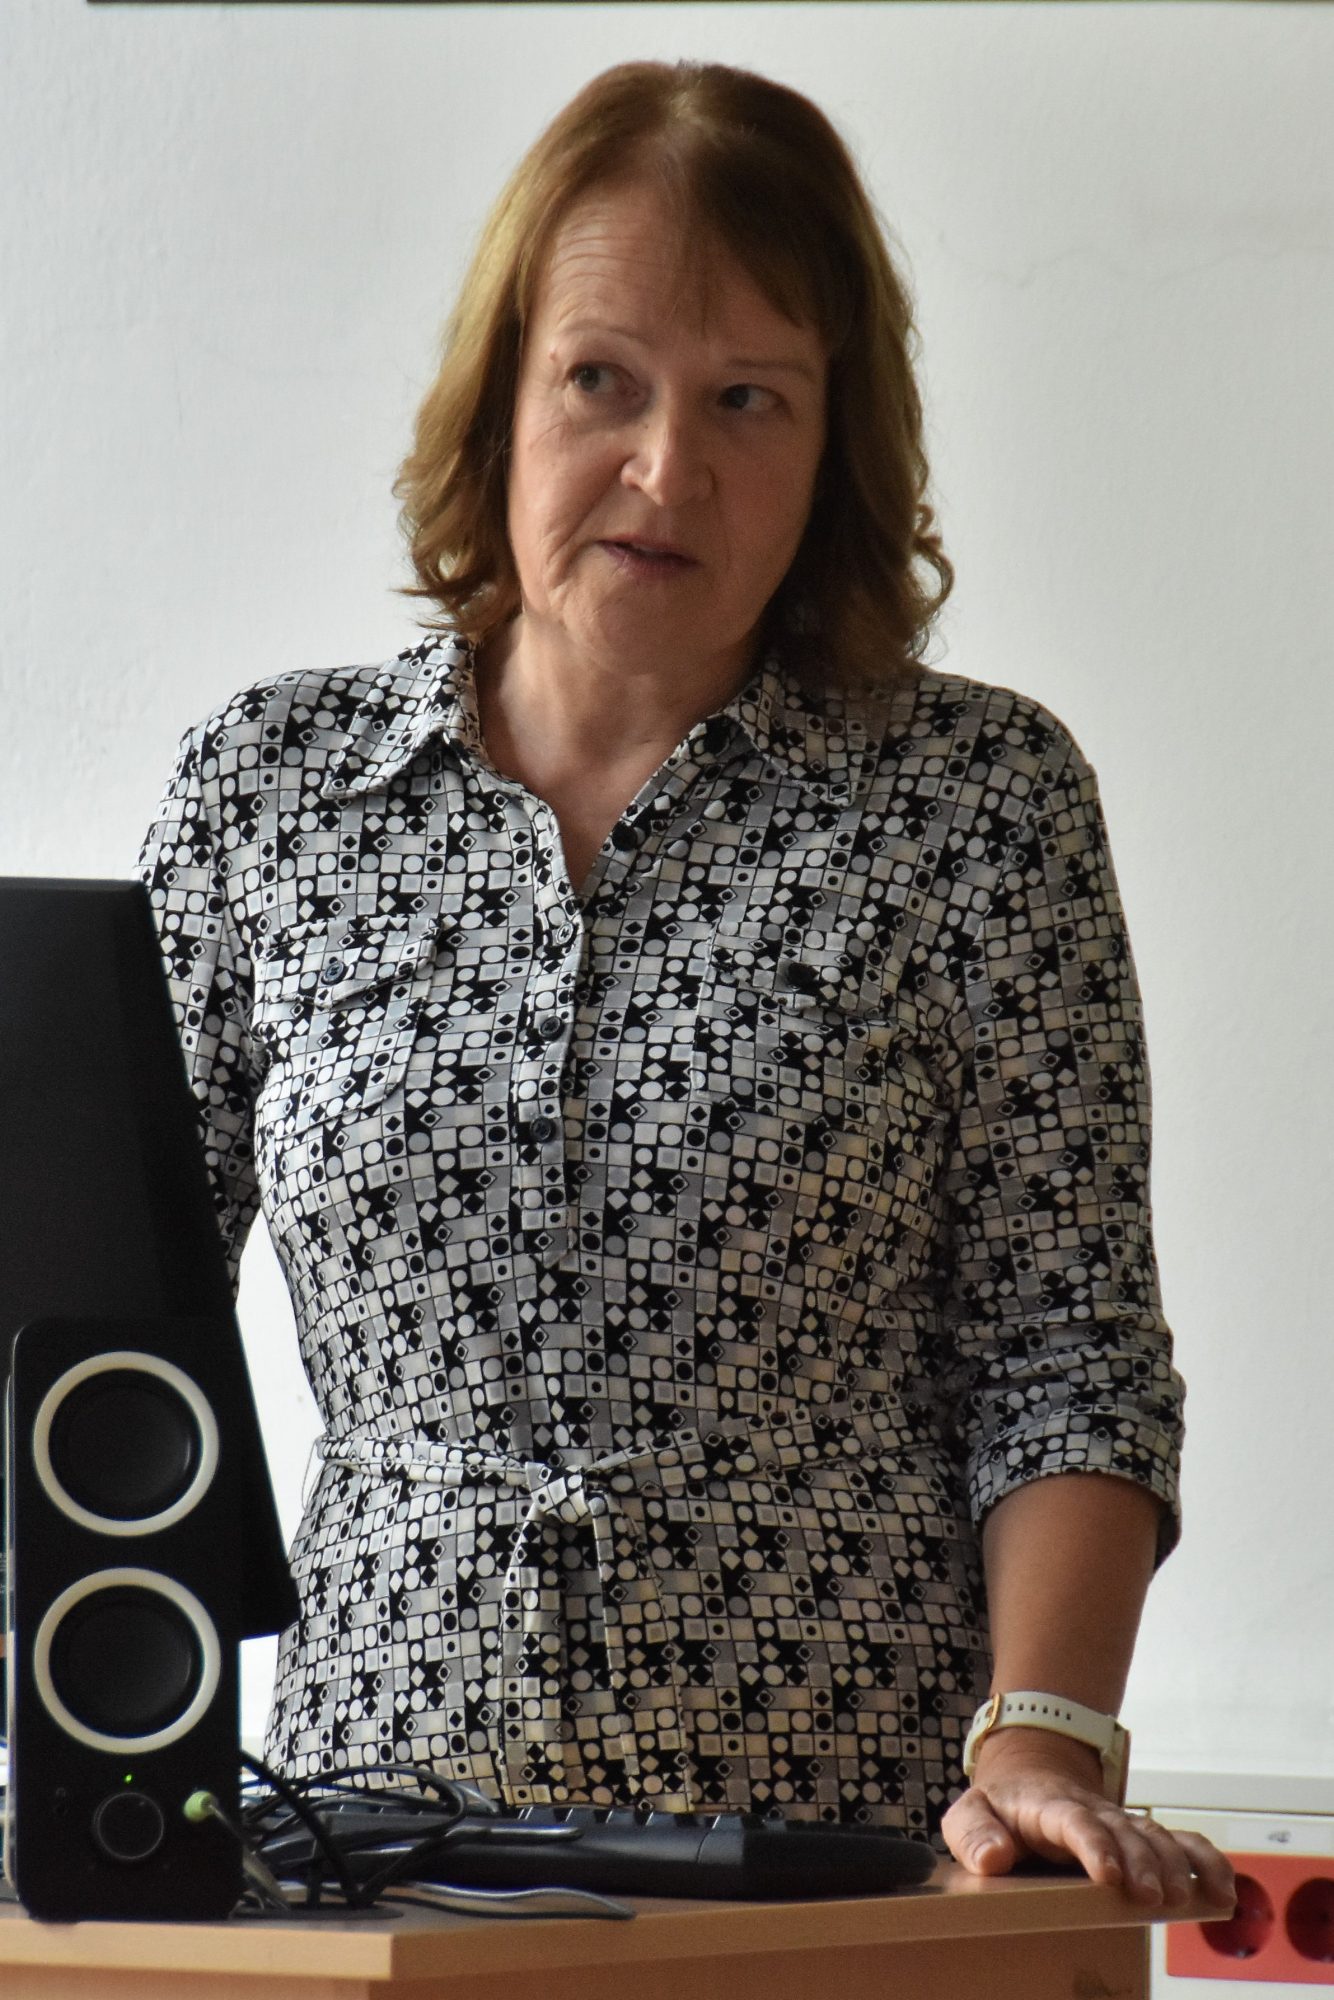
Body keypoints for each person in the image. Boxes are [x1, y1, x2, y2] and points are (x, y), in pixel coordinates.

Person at [140, 59, 1231, 1906]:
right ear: (501, 394)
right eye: (601, 380)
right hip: (363, 1857)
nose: (666, 469)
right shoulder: (273, 790)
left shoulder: (977, 801)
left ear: (832, 448)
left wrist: (1041, 1742)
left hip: (845, 1868)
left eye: (747, 398)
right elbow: (97, 1331)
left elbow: (1066, 1355)